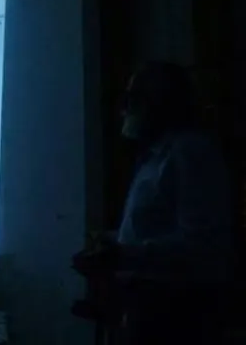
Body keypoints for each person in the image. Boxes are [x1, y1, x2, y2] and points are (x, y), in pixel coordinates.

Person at [72, 61, 233, 345]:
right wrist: (112, 242)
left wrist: (123, 255)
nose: (124, 110)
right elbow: (154, 227)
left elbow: (201, 244)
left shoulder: (190, 153)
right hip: (148, 307)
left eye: (133, 100)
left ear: (160, 103)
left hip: (177, 314)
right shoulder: (155, 156)